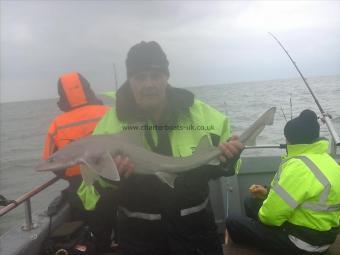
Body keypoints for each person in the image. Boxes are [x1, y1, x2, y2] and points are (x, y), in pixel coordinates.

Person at [85, 41, 244, 255]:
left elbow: (228, 166)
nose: (149, 84)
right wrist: (109, 179)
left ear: (166, 77)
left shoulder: (202, 116)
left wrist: (229, 161)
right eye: (140, 77)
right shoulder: (110, 125)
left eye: (156, 75)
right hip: (138, 240)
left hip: (197, 236)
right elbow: (88, 194)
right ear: (130, 80)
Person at [225, 109, 340, 255]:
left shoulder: (297, 166)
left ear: (291, 140)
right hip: (324, 236)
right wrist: (267, 194)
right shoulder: (329, 161)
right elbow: (307, 198)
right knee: (250, 202)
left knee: (232, 221)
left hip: (302, 243)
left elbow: (269, 217)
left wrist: (262, 219)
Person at [43, 72, 117, 252]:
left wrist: (73, 174)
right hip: (113, 179)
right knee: (118, 221)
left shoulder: (57, 124)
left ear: (62, 96)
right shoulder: (108, 113)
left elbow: (51, 162)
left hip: (79, 189)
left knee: (90, 232)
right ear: (88, 89)